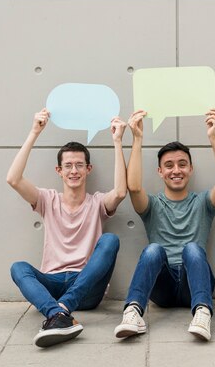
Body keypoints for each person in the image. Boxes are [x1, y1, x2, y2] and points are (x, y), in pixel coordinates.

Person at [7, 108, 127, 347]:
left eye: (79, 165)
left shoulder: (97, 203)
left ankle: (60, 311)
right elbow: (13, 179)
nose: (74, 171)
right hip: (52, 284)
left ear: (88, 169)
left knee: (110, 240)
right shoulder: (47, 199)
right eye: (68, 166)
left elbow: (121, 192)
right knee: (18, 268)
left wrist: (117, 141)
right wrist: (34, 132)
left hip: (86, 288)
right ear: (59, 171)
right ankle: (57, 313)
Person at [114, 108, 215, 342]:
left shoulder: (203, 203)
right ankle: (133, 312)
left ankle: (202, 312)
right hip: (163, 289)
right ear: (160, 172)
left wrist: (213, 137)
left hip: (195, 284)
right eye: (169, 165)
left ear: (191, 169)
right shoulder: (153, 205)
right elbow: (134, 188)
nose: (176, 170)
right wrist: (137, 138)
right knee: (153, 249)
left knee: (192, 249)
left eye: (182, 164)